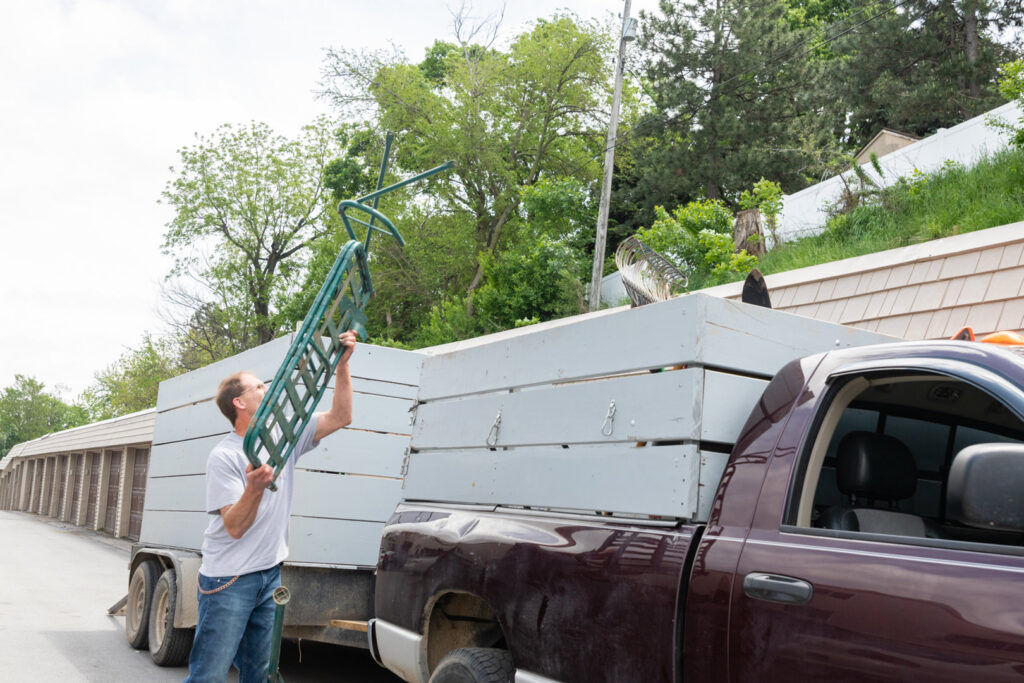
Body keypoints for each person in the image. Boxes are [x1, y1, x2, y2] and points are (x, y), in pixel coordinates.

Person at [184, 330, 358, 683]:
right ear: (240, 403)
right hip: (228, 580)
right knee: (209, 676)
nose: (268, 389)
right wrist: (254, 489)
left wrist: (342, 365)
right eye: (259, 387)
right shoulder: (225, 456)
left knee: (259, 675)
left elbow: (341, 416)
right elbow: (234, 526)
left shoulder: (285, 437)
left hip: (268, 573)